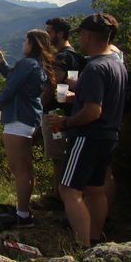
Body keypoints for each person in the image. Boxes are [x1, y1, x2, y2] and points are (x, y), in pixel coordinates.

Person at [45, 13, 126, 248]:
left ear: (88, 36)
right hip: (108, 136)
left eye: (81, 33)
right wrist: (76, 97)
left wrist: (65, 121)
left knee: (68, 189)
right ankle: (94, 237)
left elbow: (93, 112)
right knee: (95, 190)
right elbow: (104, 101)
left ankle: (81, 245)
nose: (79, 37)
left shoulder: (95, 67)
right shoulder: (116, 63)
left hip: (87, 136)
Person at [0, 30, 55, 225]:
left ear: (33, 44)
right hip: (29, 118)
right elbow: (13, 77)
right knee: (25, 168)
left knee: (19, 169)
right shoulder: (38, 64)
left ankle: (22, 215)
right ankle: (24, 211)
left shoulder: (28, 63)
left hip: (18, 118)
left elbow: (10, 88)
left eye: (25, 40)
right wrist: (0, 57)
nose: (23, 43)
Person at [41, 18, 85, 205]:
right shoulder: (75, 57)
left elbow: (55, 87)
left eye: (49, 32)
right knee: (62, 153)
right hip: (70, 113)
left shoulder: (61, 58)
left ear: (60, 33)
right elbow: (70, 85)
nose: (47, 35)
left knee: (57, 154)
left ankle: (57, 195)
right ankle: (59, 191)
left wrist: (40, 105)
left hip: (56, 118)